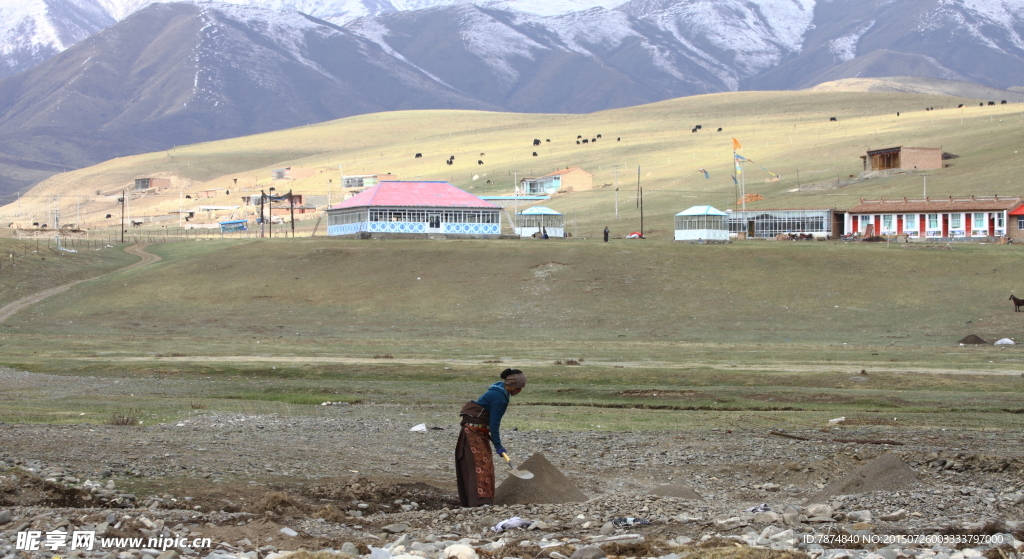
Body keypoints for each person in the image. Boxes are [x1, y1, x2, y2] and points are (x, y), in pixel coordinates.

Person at [455, 368, 526, 507]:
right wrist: (498, 446)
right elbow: (494, 425)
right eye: (518, 389)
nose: (519, 392)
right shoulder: (500, 398)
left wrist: (495, 441)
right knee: (481, 467)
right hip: (473, 433)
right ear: (511, 386)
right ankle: (481, 503)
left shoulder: (499, 389)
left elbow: (489, 425)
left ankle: (476, 502)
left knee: (481, 465)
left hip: (477, 430)